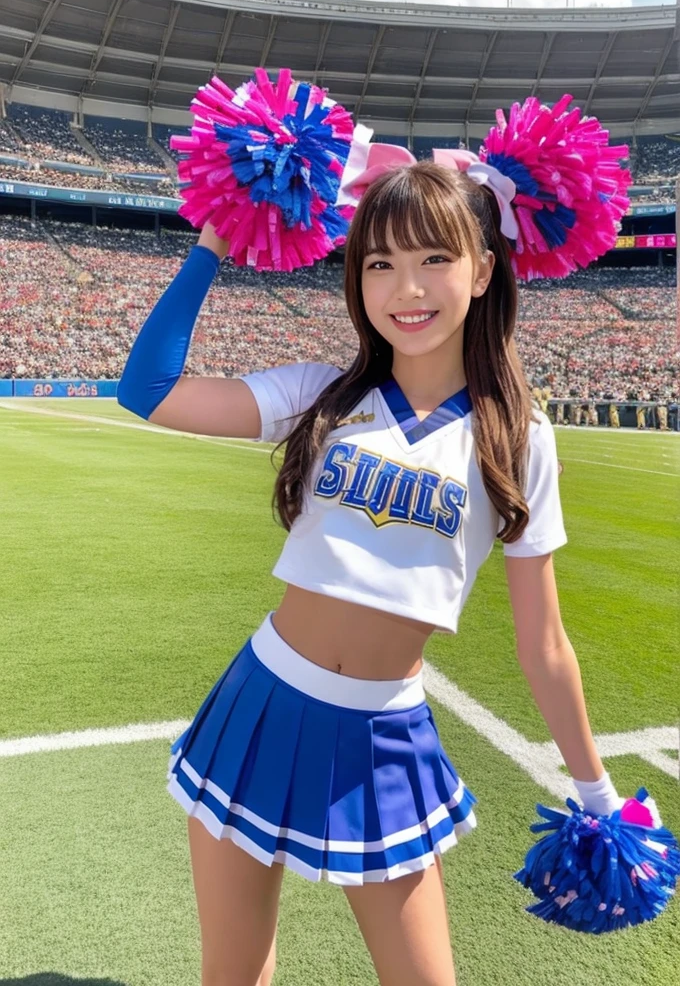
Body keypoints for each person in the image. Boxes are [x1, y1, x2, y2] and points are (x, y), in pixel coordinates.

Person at [117, 162, 628, 985]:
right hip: (259, 704)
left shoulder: (520, 439)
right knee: (233, 975)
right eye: (380, 262)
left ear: (485, 267)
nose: (405, 287)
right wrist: (212, 241)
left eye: (434, 258)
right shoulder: (319, 395)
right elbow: (145, 391)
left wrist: (595, 789)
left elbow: (545, 642)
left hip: (382, 734)